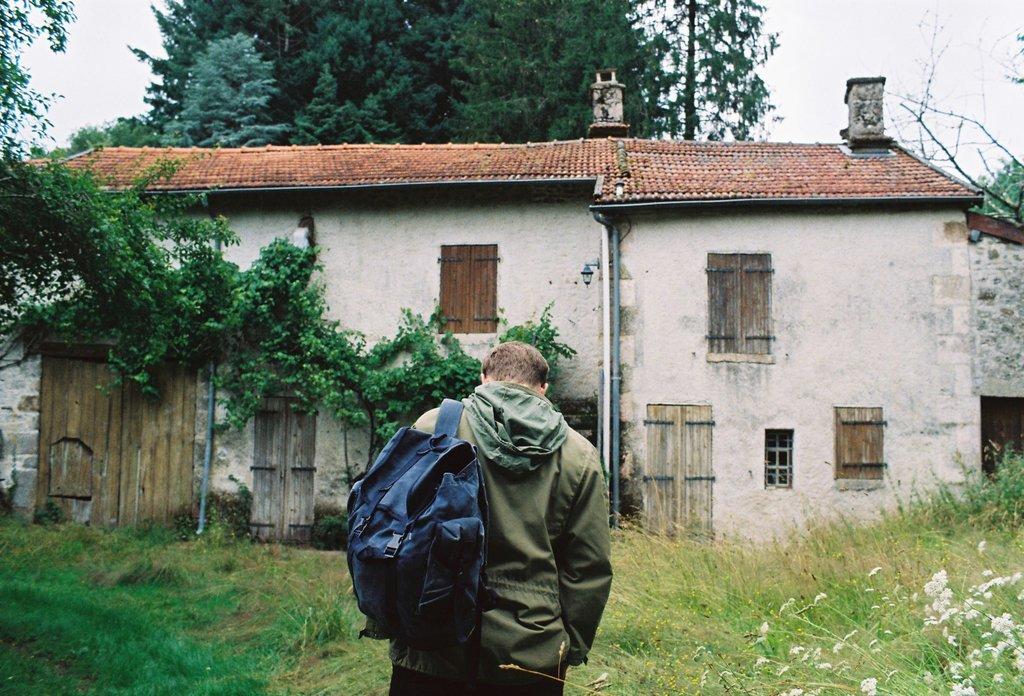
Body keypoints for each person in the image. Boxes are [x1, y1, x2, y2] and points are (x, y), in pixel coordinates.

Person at [387, 341, 613, 696]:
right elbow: (588, 567)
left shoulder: (435, 426)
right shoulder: (580, 455)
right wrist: (566, 648)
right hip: (529, 654)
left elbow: (390, 521)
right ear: (543, 389)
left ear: (484, 378)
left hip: (433, 640)